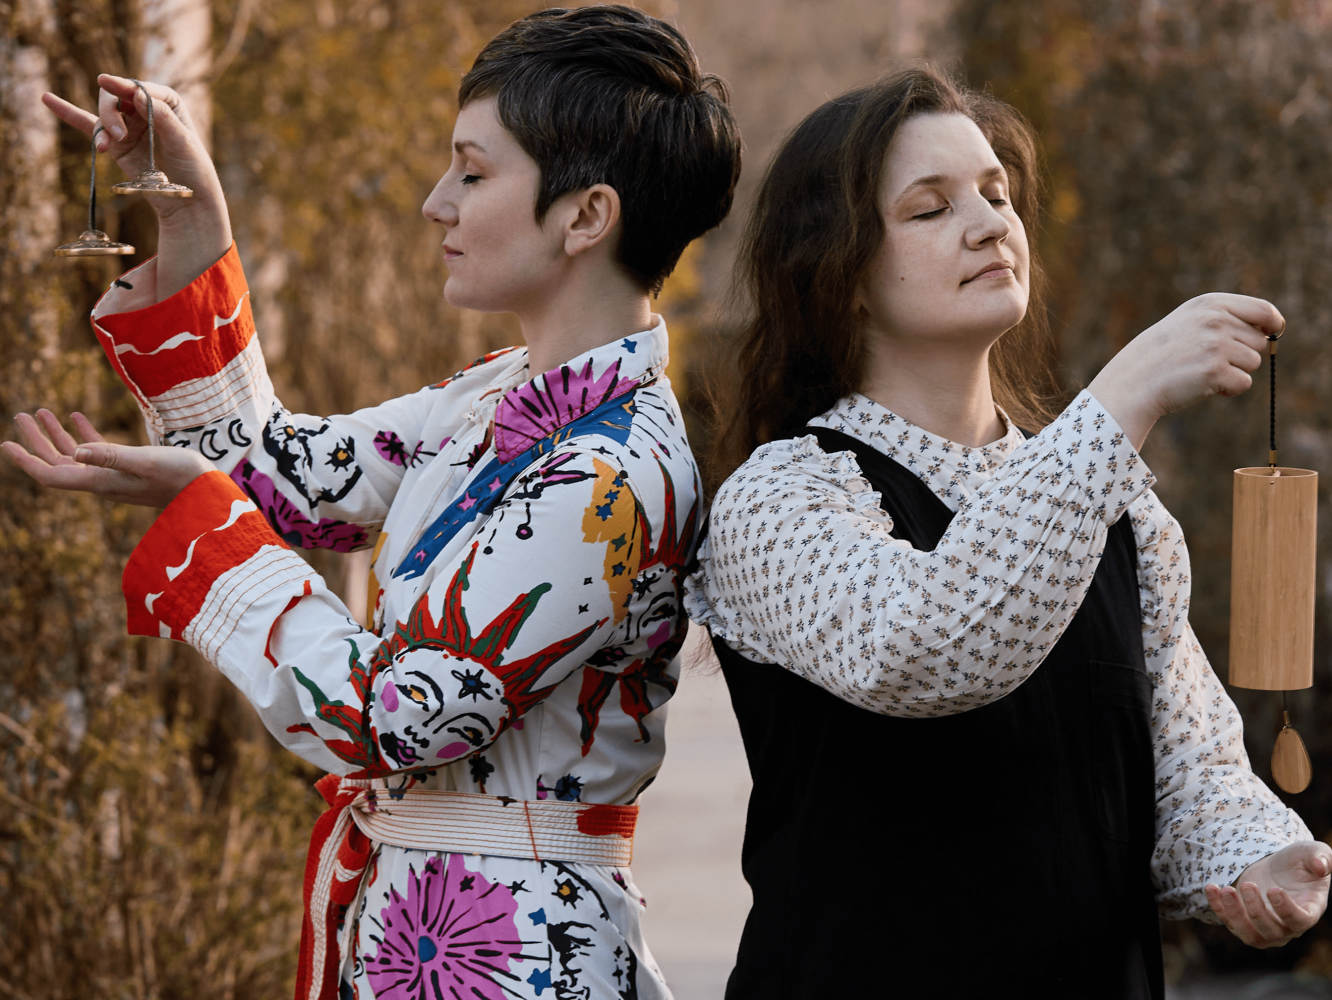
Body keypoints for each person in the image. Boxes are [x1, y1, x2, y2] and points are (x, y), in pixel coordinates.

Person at [6, 7, 741, 999]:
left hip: (518, 960)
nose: (437, 202)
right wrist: (196, 229)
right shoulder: (492, 399)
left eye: (473, 173)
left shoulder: (613, 475)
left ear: (584, 215)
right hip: (412, 934)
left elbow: (400, 711)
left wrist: (216, 535)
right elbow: (284, 479)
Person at [685, 69, 1330, 999]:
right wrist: (1127, 392)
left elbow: (1191, 775)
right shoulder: (780, 496)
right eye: (930, 209)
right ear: (841, 271)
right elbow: (926, 646)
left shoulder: (1119, 510)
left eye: (996, 195)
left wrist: (1263, 860)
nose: (991, 224)